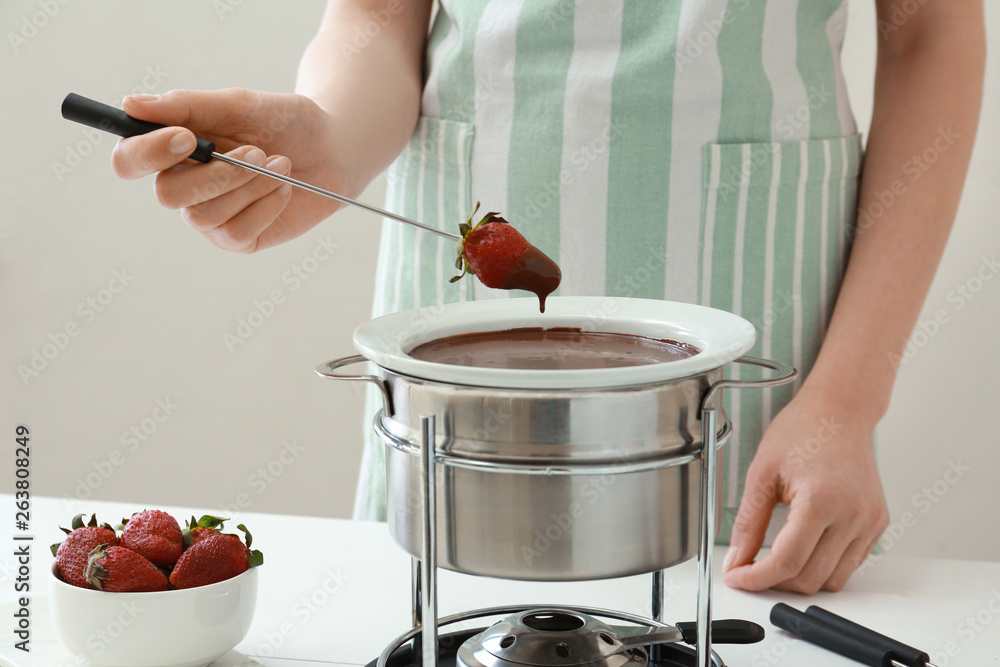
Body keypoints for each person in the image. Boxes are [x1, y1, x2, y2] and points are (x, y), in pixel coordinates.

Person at [109, 0, 984, 594]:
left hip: (761, 332)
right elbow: (379, 17)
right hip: (456, 341)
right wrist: (325, 141)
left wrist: (846, 400)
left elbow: (928, 33)